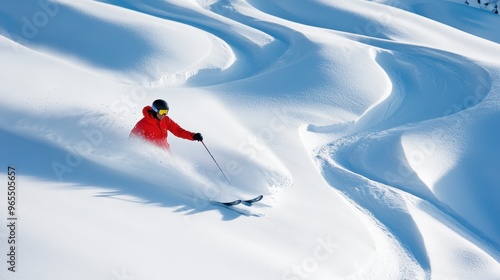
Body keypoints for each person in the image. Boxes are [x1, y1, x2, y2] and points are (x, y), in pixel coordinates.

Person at [130, 99, 203, 151]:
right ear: (155, 110)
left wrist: (193, 136)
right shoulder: (142, 124)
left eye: (166, 112)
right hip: (152, 158)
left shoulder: (165, 120)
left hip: (166, 153)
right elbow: (132, 141)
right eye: (162, 112)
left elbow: (178, 130)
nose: (164, 115)